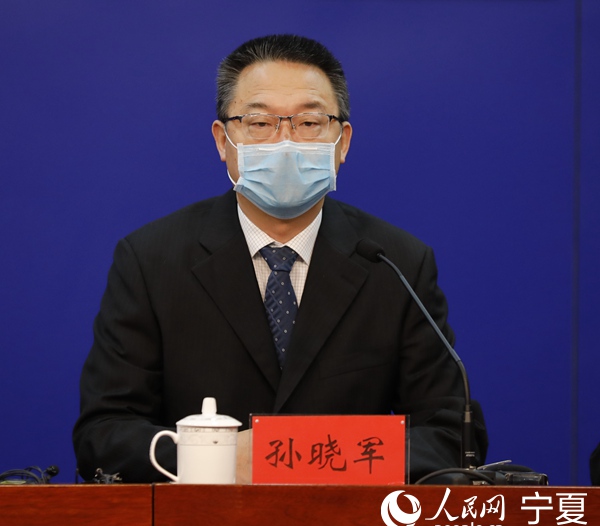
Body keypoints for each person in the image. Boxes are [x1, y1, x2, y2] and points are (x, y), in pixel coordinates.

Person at [73, 34, 487, 483]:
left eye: (309, 122)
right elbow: (104, 434)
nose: (285, 142)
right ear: (223, 141)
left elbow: (451, 437)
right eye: (259, 123)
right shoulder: (152, 260)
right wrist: (218, 458)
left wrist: (299, 456)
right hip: (202, 517)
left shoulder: (396, 262)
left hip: (346, 518)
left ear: (343, 142)